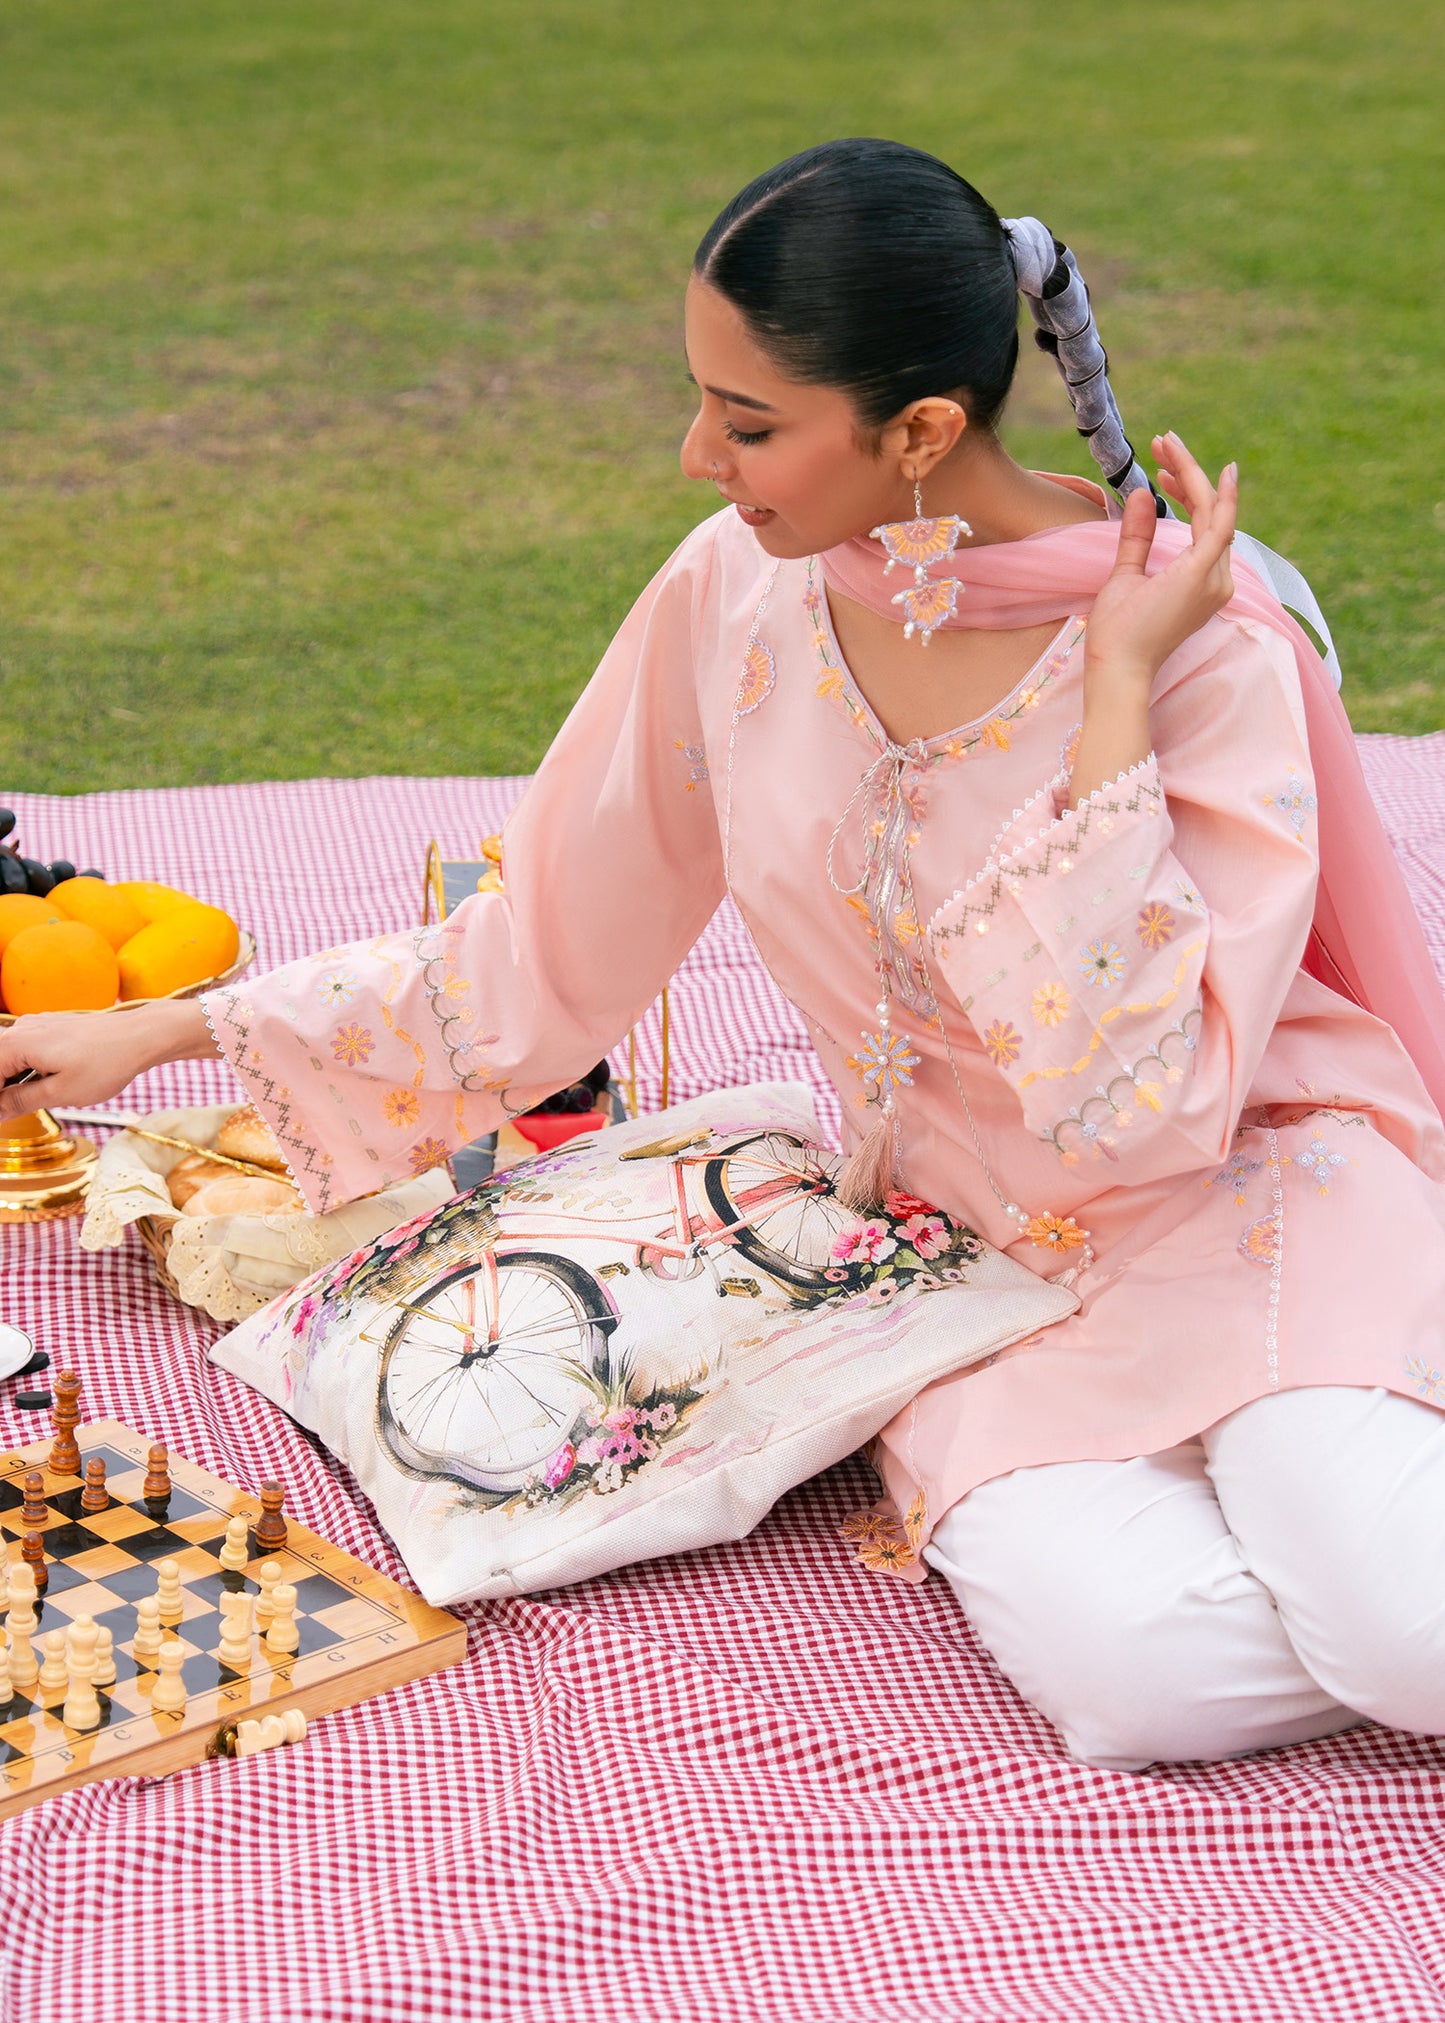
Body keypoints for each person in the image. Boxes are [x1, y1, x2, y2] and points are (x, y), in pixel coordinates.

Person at [6, 139, 1445, 1773]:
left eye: (749, 424)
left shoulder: (1192, 649)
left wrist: (1111, 691)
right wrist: (168, 1032)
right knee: (1141, 1681)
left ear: (917, 432)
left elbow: (1142, 1111)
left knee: (1404, 1627)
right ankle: (1332, 1496)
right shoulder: (730, 603)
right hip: (967, 1257)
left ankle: (1349, 1488)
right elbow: (539, 949)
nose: (699, 459)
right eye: (700, 400)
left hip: (1244, 1192)